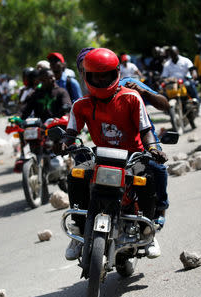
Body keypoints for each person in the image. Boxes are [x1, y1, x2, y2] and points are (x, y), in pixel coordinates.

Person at [64, 48, 168, 260]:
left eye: (106, 73)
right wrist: (64, 144)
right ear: (85, 74)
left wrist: (154, 149)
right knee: (75, 175)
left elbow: (146, 130)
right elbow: (71, 134)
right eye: (95, 73)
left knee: (149, 178)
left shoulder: (132, 94)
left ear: (115, 71)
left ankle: (149, 230)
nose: (101, 78)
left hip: (132, 155)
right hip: (102, 156)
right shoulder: (81, 104)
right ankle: (79, 230)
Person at [161, 46, 201, 116]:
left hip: (184, 82)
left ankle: (197, 103)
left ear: (178, 52)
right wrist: (165, 80)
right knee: (164, 92)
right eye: (171, 54)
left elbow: (192, 70)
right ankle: (167, 109)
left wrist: (193, 75)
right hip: (172, 84)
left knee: (189, 85)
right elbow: (164, 76)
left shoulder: (185, 60)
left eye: (174, 53)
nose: (173, 55)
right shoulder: (167, 64)